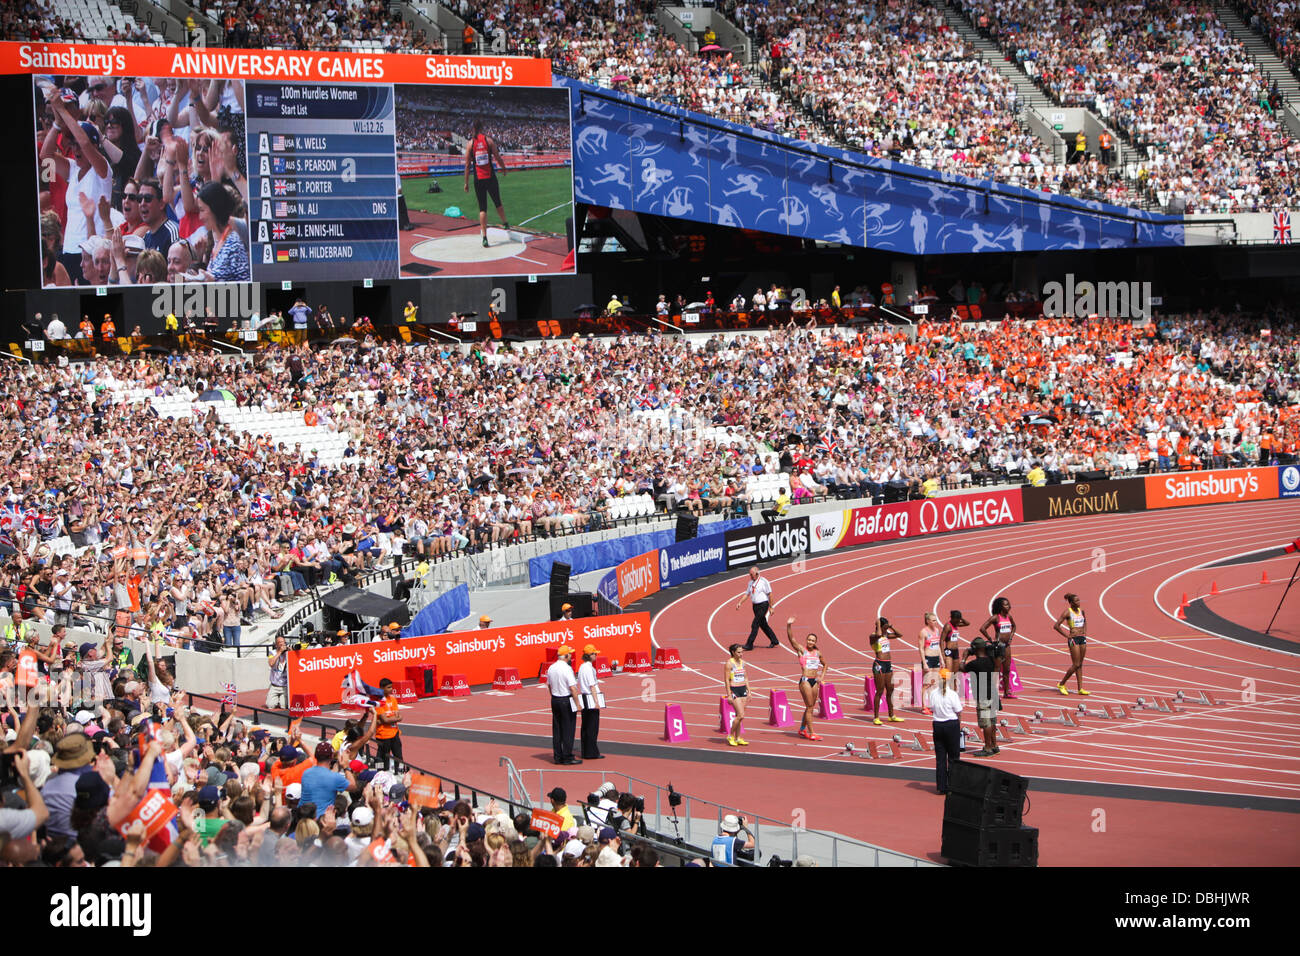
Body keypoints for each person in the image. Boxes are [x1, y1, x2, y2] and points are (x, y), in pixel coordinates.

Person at [463, 118, 509, 248]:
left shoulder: (470, 144)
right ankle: (505, 223)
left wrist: (466, 183)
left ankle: (484, 237)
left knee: (482, 208)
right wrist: (503, 168)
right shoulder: (489, 141)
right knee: (497, 202)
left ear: (473, 129)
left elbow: (467, 165)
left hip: (478, 179)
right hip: (490, 177)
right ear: (482, 128)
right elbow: (497, 156)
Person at [785, 616, 827, 740]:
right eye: (809, 640)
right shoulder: (802, 650)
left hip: (815, 681)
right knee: (809, 706)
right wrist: (789, 625)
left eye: (812, 640)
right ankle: (812, 732)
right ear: (806, 640)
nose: (810, 642)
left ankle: (802, 729)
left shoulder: (818, 653)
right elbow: (791, 639)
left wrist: (821, 676)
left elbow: (825, 665)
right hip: (805, 681)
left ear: (815, 642)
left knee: (811, 706)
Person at [926, 669, 963, 794]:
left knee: (940, 758)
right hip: (951, 724)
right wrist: (959, 724)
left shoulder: (933, 694)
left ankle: (941, 786)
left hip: (938, 725)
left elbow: (932, 708)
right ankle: (953, 785)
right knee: (953, 757)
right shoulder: (952, 694)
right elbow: (958, 711)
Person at [961, 638, 999, 756]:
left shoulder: (975, 664)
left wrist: (964, 657)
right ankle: (994, 745)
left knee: (985, 722)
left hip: (983, 695)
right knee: (992, 721)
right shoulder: (991, 661)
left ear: (975, 649)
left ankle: (987, 748)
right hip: (993, 692)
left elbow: (961, 668)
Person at [546, 645, 582, 764]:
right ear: (566, 656)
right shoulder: (567, 669)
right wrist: (578, 705)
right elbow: (572, 688)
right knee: (568, 729)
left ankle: (558, 756)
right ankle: (567, 756)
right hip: (565, 700)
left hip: (555, 699)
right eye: (570, 654)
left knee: (557, 729)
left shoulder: (551, 667)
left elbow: (549, 685)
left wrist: (553, 697)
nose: (571, 656)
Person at [869, 617, 905, 725]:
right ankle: (876, 717)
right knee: (880, 691)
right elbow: (879, 634)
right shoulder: (873, 636)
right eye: (886, 626)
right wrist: (879, 624)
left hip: (888, 664)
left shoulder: (886, 634)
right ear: (880, 626)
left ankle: (891, 715)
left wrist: (891, 627)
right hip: (879, 664)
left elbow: (900, 635)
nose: (887, 628)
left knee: (890, 689)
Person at [980, 596, 1018, 698]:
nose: (1008, 606)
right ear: (1000, 606)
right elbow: (982, 628)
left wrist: (1011, 637)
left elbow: (1014, 626)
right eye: (1006, 604)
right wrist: (990, 638)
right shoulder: (995, 618)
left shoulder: (1009, 617)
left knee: (1007, 669)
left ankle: (1007, 692)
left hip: (1007, 646)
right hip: (998, 646)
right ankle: (993, 692)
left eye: (1008, 604)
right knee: (996, 670)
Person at [1054, 592, 1090, 696]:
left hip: (1082, 638)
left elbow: (1085, 621)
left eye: (1079, 600)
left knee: (1080, 664)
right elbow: (1056, 626)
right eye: (1076, 601)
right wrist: (1067, 635)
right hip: (1073, 639)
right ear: (1071, 603)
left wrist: (1084, 632)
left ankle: (1080, 689)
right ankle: (1061, 684)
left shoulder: (1081, 611)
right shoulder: (1067, 612)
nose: (1079, 602)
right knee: (1076, 664)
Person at [735, 566, 779, 650]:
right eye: (750, 575)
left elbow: (770, 594)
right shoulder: (750, 583)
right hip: (755, 606)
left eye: (752, 575)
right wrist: (740, 602)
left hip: (763, 605)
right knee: (763, 624)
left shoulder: (764, 581)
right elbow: (747, 594)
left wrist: (771, 607)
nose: (750, 576)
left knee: (755, 624)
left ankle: (749, 644)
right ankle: (774, 640)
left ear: (757, 573)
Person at [577, 643, 604, 760]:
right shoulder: (588, 668)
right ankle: (591, 752)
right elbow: (592, 686)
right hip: (590, 697)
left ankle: (586, 750)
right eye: (595, 654)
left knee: (585, 725)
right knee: (592, 726)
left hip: (584, 696)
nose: (596, 656)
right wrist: (596, 701)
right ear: (590, 655)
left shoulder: (582, 667)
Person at [722, 643, 749, 747]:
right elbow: (726, 680)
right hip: (734, 690)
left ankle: (737, 738)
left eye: (742, 652)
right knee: (741, 715)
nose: (741, 654)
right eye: (739, 652)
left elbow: (746, 677)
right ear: (733, 652)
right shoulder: (729, 663)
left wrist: (749, 691)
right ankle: (730, 735)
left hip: (743, 690)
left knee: (740, 716)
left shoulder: (743, 663)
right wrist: (729, 694)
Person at [374, 678, 404, 769]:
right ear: (382, 688)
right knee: (383, 757)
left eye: (391, 687)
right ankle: (381, 773)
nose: (391, 689)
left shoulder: (393, 699)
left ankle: (400, 771)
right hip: (383, 735)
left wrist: (388, 719)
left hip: (395, 733)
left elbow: (399, 716)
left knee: (398, 756)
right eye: (389, 687)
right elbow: (385, 720)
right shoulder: (378, 702)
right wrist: (394, 719)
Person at [918, 612, 943, 715]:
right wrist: (924, 663)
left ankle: (933, 704)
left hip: (936, 658)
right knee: (926, 683)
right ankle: (924, 706)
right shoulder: (923, 632)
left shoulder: (937, 631)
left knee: (935, 683)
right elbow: (921, 648)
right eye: (933, 620)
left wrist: (941, 659)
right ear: (928, 621)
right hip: (928, 658)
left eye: (935, 620)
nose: (935, 622)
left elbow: (938, 646)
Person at [940, 609, 968, 674]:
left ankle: (954, 684)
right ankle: (946, 684)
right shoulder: (948, 626)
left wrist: (961, 618)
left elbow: (967, 623)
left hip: (956, 651)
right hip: (948, 651)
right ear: (952, 618)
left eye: (959, 620)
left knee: (955, 673)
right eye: (957, 619)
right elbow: (941, 640)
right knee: (948, 672)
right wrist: (942, 654)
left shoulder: (956, 624)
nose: (958, 621)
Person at [266, 635, 289, 709]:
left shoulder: (288, 653)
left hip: (285, 686)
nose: (282, 644)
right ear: (276, 645)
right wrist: (279, 652)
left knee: (284, 706)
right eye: (280, 643)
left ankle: (280, 700)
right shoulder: (271, 653)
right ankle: (275, 698)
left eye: (283, 642)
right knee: (270, 705)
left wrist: (291, 651)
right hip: (274, 685)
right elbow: (271, 663)